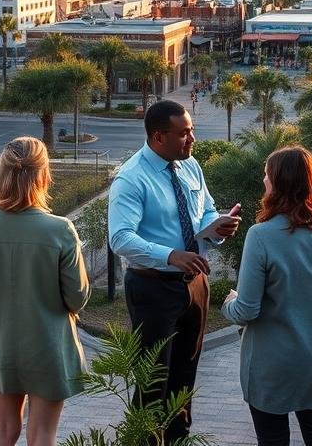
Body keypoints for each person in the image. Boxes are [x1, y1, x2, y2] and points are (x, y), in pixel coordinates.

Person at [108, 100, 242, 442]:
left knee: (184, 379)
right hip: (153, 289)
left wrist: (217, 226)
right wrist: (170, 256)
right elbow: (120, 238)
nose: (192, 139)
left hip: (195, 285)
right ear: (158, 136)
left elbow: (204, 212)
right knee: (153, 381)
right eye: (183, 134)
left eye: (191, 130)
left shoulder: (190, 166)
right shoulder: (132, 178)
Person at [221, 146, 312, 446]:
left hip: (272, 364)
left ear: (280, 182)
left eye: (267, 175)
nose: (264, 182)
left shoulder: (262, 235)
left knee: (272, 439)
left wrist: (228, 303)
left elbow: (246, 310)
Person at [0, 137, 90, 446]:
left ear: (1, 174)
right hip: (48, 348)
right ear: (44, 176)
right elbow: (78, 297)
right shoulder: (60, 229)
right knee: (42, 435)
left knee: (2, 432)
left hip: (0, 346)